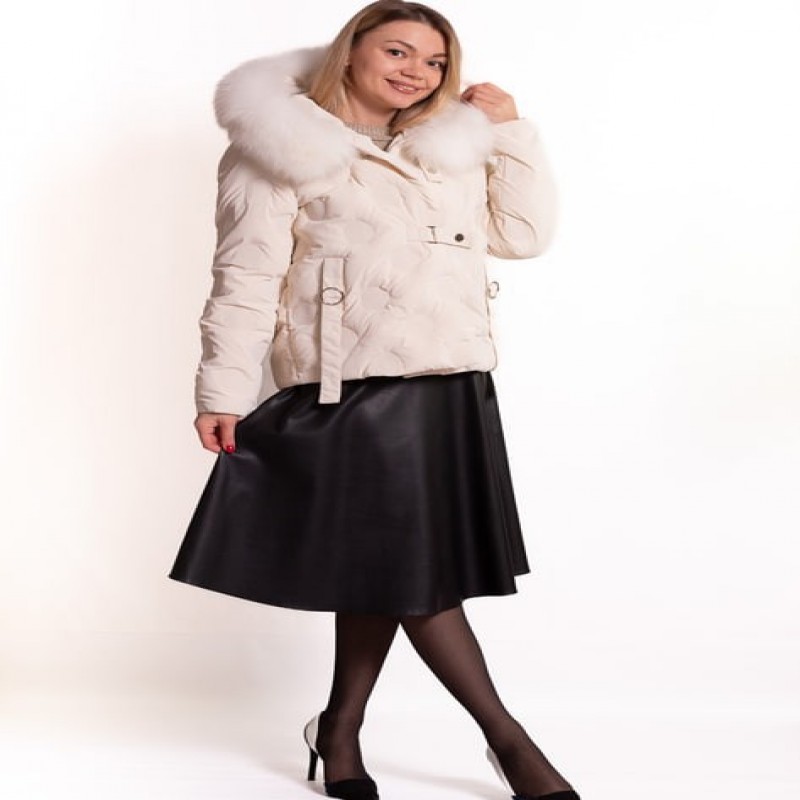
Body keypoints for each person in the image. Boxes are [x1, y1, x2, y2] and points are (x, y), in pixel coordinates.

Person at [170, 2, 579, 799]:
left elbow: (524, 237)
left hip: (452, 384)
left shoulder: (447, 147)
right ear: (350, 50)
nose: (416, 72)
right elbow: (246, 276)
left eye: (434, 61)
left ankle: (339, 729)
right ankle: (510, 742)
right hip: (351, 388)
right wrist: (222, 388)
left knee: (386, 569)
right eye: (397, 51)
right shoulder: (279, 146)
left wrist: (511, 132)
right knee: (416, 579)